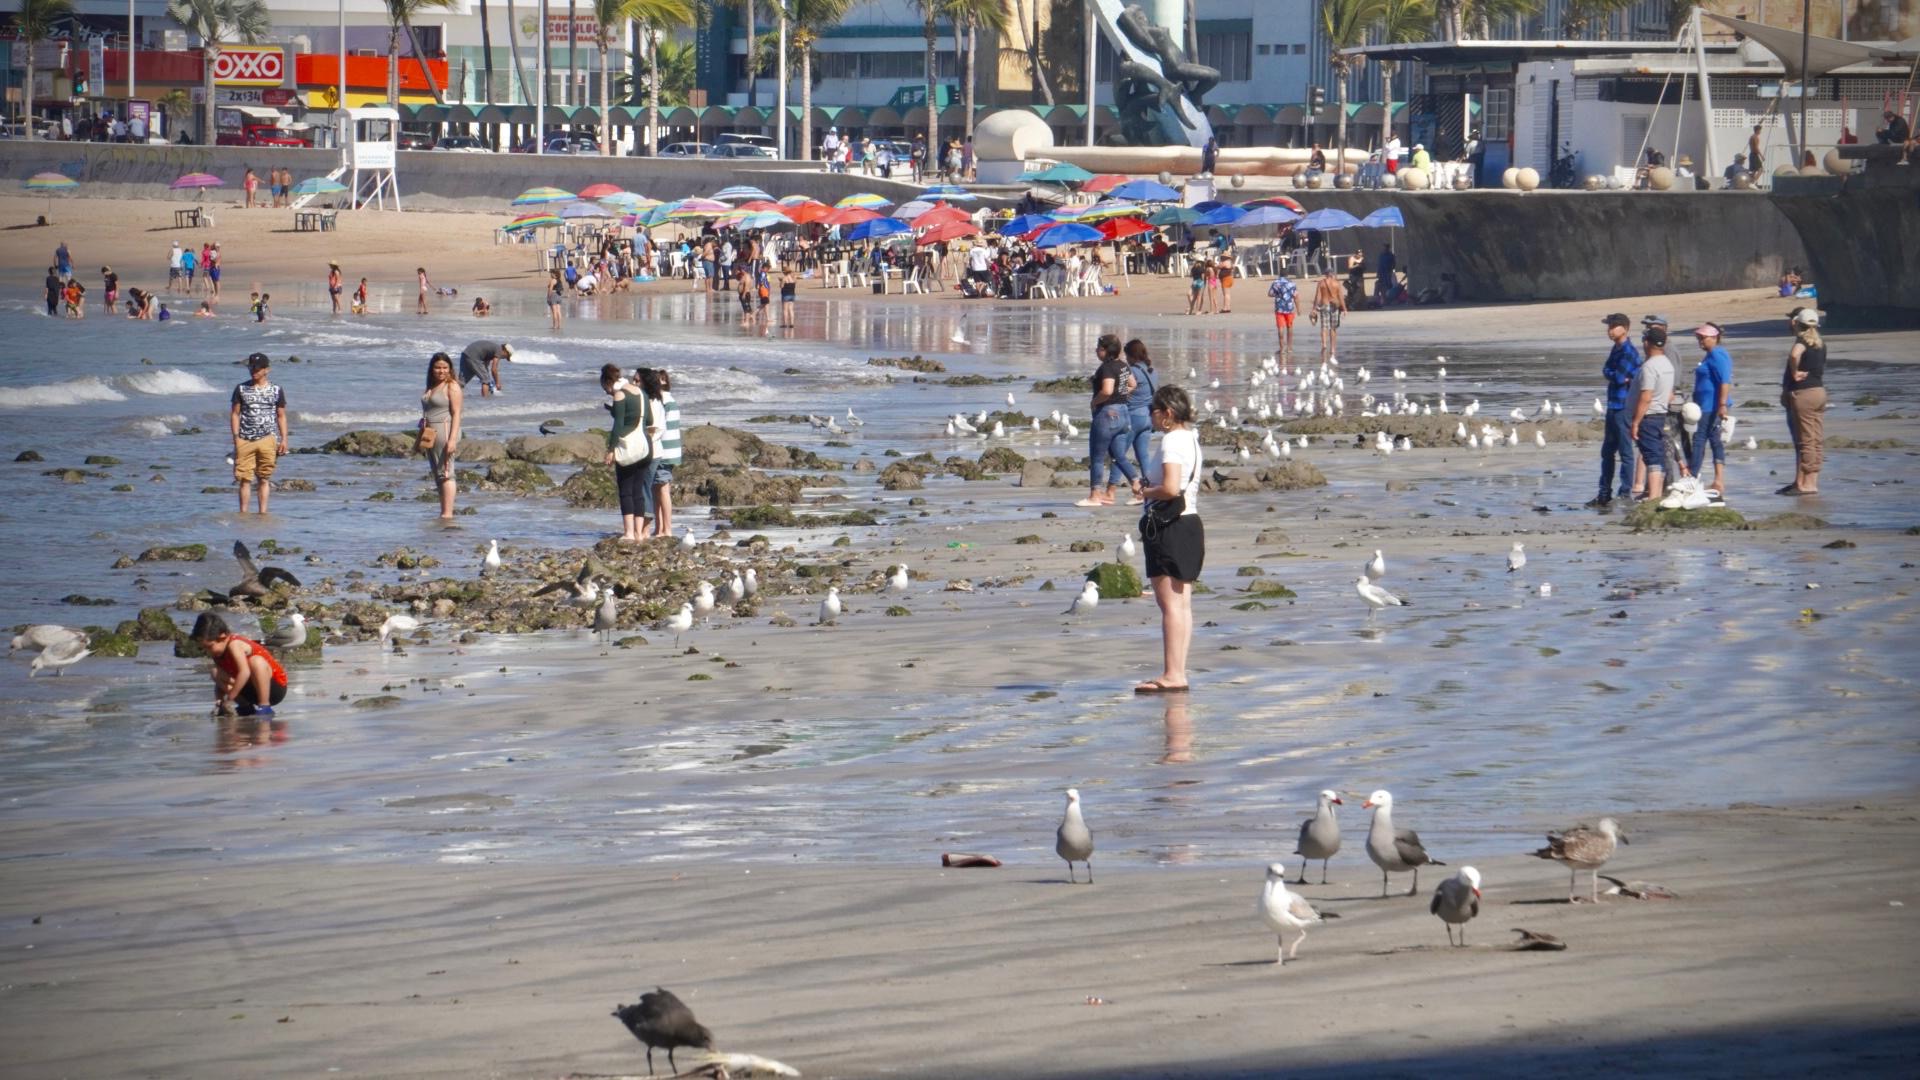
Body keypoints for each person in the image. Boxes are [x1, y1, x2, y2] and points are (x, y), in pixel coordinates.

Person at [1135, 384, 1203, 694]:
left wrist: (1144, 491)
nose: (1150, 415)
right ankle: (1178, 671)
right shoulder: (1190, 438)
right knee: (1182, 605)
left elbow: (1171, 488)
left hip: (1170, 526)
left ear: (1168, 414)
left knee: (1171, 606)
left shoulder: (1173, 441)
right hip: (1189, 522)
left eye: (1154, 410)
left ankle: (1173, 673)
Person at [1078, 333, 1137, 507]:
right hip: (1124, 413)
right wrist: (1121, 395)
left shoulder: (1107, 368)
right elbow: (1133, 384)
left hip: (1107, 414)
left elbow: (1107, 390)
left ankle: (1095, 495)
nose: (1096, 351)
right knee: (1119, 456)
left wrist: (1094, 402)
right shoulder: (1123, 365)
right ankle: (1136, 483)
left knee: (1097, 457)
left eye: (1099, 348)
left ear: (1106, 350)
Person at [1589, 313, 1642, 508]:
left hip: (1623, 407)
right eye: (1609, 326)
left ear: (1625, 328)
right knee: (1607, 452)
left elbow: (1618, 377)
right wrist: (1613, 374)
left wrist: (1614, 374)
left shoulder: (1628, 352)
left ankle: (1624, 492)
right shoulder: (1616, 348)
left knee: (1626, 452)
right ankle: (1604, 493)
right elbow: (1607, 371)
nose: (1610, 330)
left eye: (1613, 326)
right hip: (1612, 405)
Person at [190, 613, 288, 718]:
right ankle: (245, 706)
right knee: (215, 672)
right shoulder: (217, 652)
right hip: (250, 689)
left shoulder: (234, 644)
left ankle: (264, 705)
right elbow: (220, 681)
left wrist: (230, 699)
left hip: (274, 688)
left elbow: (244, 672)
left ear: (222, 637)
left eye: (209, 647)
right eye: (203, 648)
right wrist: (220, 700)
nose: (207, 651)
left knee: (256, 661)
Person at [229, 352, 289, 514]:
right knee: (244, 479)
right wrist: (235, 437)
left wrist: (284, 439)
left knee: (264, 478)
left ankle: (263, 513)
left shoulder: (276, 390)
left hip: (268, 439)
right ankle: (243, 514)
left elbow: (281, 416)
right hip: (244, 439)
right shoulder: (241, 389)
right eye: (251, 367)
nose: (253, 370)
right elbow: (235, 414)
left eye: (257, 367)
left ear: (266, 369)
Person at [602, 363, 653, 541]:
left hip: (628, 447)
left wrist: (610, 450)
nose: (607, 392)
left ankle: (628, 533)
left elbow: (618, 427)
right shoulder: (642, 393)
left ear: (607, 382)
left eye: (605, 388)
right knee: (638, 490)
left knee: (626, 490)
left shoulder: (620, 394)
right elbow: (649, 420)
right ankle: (639, 533)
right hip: (646, 447)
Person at [1779, 306, 1826, 496]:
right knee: (1816, 440)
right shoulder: (1821, 344)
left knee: (1806, 440)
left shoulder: (1801, 342)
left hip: (1804, 394)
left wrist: (1794, 372)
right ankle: (1811, 481)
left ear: (1798, 324)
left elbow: (1794, 354)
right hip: (1819, 392)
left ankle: (1805, 484)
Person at [1683, 322, 1734, 494]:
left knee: (1699, 440)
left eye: (1703, 338)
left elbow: (1725, 381)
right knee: (1714, 441)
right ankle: (1717, 481)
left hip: (1711, 407)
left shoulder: (1718, 354)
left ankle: (1693, 477)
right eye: (1698, 338)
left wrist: (1722, 405)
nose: (1700, 341)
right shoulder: (1710, 355)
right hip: (1704, 405)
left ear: (1714, 337)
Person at [1628, 324, 1676, 503]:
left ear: (1647, 343)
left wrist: (1635, 422)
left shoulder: (1650, 366)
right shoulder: (1667, 364)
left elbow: (1646, 396)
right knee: (1657, 453)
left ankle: (1655, 495)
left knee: (1651, 454)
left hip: (1649, 416)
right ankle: (1655, 493)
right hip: (1660, 414)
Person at [419, 352, 464, 519]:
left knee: (446, 473)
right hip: (430, 432)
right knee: (438, 473)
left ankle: (447, 514)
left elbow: (457, 413)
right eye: (437, 367)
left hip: (445, 430)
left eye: (445, 367)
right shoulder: (432, 385)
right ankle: (443, 510)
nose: (441, 371)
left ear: (450, 369)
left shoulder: (452, 386)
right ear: (432, 369)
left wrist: (452, 440)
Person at [647, 367, 681, 539]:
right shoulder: (669, 399)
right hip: (670, 450)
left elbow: (658, 426)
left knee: (663, 490)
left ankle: (666, 529)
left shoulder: (663, 400)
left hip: (664, 450)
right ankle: (659, 527)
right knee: (657, 489)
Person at [1122, 339, 1158, 492]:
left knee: (1119, 454)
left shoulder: (1132, 372)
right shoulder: (1152, 371)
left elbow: (1121, 392)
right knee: (1143, 455)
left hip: (1134, 416)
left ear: (1130, 356)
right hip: (1148, 417)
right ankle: (1149, 488)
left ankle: (1110, 489)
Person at [1310, 265, 1346, 359]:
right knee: (1333, 328)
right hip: (1334, 306)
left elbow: (1317, 297)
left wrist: (1314, 308)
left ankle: (1324, 344)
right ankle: (1333, 349)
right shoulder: (1336, 283)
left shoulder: (1321, 283)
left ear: (1325, 274)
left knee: (1324, 327)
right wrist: (1345, 309)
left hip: (1324, 306)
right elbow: (1341, 298)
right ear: (1332, 274)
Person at [1267, 271, 1298, 353]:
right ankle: (1289, 348)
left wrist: (1277, 295)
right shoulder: (1292, 283)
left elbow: (1270, 294)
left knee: (1280, 328)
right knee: (1289, 327)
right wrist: (1298, 308)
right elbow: (1295, 296)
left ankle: (1282, 349)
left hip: (1279, 308)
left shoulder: (1276, 283)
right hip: (1289, 308)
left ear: (1279, 274)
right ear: (1287, 274)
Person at [779, 264, 798, 328]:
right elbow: (795, 283)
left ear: (784, 272)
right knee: (791, 310)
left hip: (785, 295)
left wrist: (780, 281)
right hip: (792, 295)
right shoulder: (794, 278)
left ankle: (785, 324)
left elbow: (781, 286)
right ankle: (792, 323)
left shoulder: (784, 278)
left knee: (785, 310)